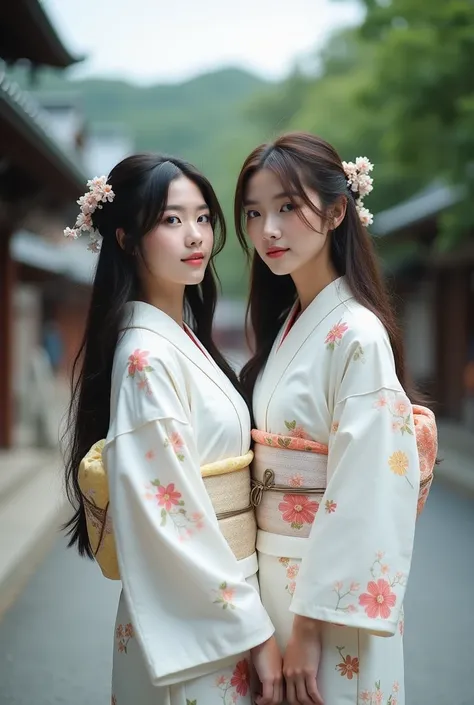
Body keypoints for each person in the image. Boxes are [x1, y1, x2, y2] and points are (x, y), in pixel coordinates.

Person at [62, 154, 283, 705]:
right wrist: (252, 629)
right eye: (170, 220)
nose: (195, 236)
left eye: (204, 218)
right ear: (127, 239)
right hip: (204, 611)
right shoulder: (145, 356)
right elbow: (170, 515)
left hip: (223, 595)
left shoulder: (180, 339)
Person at [233, 132, 438, 705]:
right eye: (254, 213)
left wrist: (310, 627)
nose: (267, 230)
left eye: (287, 207)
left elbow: (368, 483)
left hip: (324, 600)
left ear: (337, 210)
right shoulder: (291, 325)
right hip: (276, 576)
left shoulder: (357, 333)